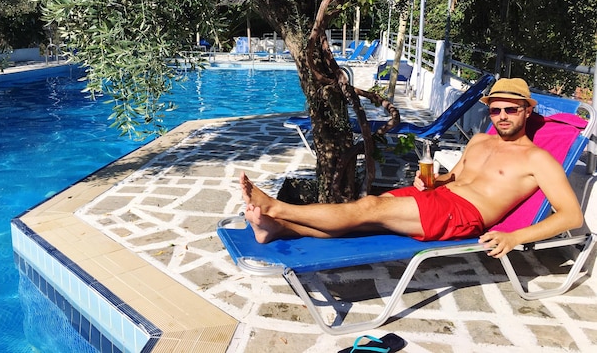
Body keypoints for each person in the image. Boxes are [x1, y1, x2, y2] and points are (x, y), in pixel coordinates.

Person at [240, 78, 584, 258]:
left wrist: (514, 236)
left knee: (368, 207)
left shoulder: (538, 159)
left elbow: (571, 216)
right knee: (364, 221)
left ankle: (278, 208)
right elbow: (455, 177)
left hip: (463, 216)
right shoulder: (481, 141)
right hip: (441, 198)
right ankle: (277, 229)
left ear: (526, 111)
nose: (503, 116)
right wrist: (432, 179)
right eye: (496, 110)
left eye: (511, 109)